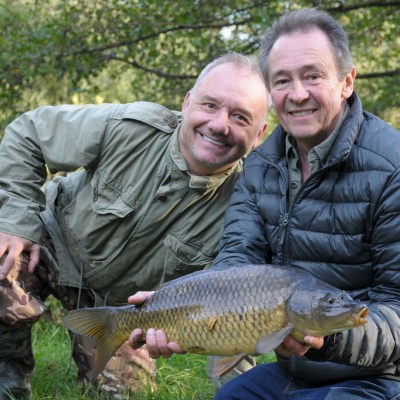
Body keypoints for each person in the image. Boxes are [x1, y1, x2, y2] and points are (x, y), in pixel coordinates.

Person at [131, 8, 400, 400]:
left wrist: (325, 337)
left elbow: (397, 307)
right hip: (296, 371)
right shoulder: (259, 167)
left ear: (346, 81)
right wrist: (178, 308)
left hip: (382, 375)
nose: (297, 93)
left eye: (312, 75)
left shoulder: (392, 167)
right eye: (282, 80)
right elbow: (237, 265)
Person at [0, 52, 269, 399]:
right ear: (188, 103)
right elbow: (29, 134)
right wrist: (16, 222)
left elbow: (235, 306)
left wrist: (244, 391)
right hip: (52, 242)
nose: (220, 124)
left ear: (259, 133)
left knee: (127, 393)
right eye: (210, 105)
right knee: (2, 260)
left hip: (122, 307)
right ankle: (8, 381)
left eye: (240, 117)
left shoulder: (246, 205)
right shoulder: (129, 127)